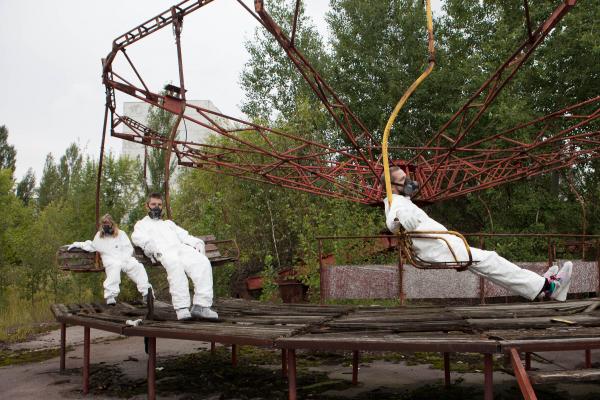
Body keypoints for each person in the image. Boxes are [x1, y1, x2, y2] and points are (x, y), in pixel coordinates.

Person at [382, 166, 572, 301]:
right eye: (403, 180)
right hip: (442, 250)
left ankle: (540, 287)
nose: (410, 182)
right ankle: (549, 287)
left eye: (407, 177)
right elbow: (394, 220)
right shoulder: (397, 203)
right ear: (393, 187)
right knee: (491, 260)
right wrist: (400, 220)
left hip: (447, 246)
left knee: (489, 265)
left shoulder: (403, 201)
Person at [131, 192, 218, 321]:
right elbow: (136, 236)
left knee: (202, 262)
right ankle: (182, 308)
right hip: (164, 252)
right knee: (176, 267)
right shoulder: (142, 224)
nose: (156, 207)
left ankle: (201, 306)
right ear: (147, 206)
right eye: (153, 204)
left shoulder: (168, 224)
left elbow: (184, 235)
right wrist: (148, 244)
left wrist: (196, 242)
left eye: (159, 205)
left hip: (180, 248)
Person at [68, 214, 152, 305]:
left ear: (112, 224)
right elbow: (92, 246)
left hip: (124, 258)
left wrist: (125, 259)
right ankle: (110, 296)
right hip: (109, 259)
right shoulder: (99, 236)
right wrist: (77, 244)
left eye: (107, 223)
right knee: (114, 268)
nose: (106, 225)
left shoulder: (121, 234)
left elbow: (128, 248)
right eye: (104, 223)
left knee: (137, 266)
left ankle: (147, 292)